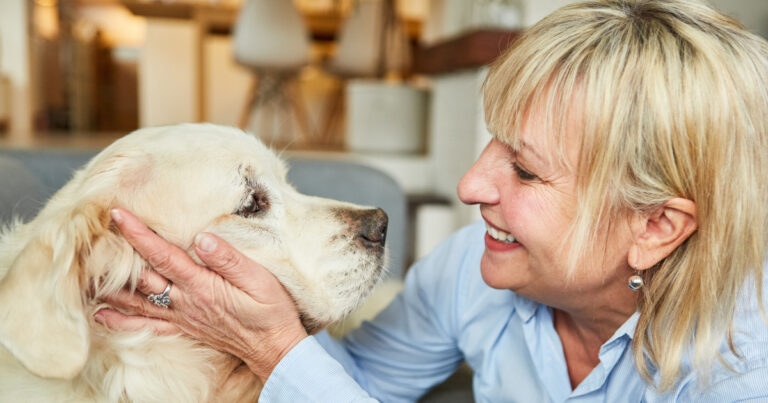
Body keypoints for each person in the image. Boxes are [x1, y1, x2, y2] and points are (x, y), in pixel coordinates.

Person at [96, 0, 768, 400]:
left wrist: (277, 349)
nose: (471, 186)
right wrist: (241, 316)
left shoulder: (746, 361)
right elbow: (363, 384)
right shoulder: (474, 268)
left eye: (526, 172)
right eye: (494, 146)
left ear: (654, 226)